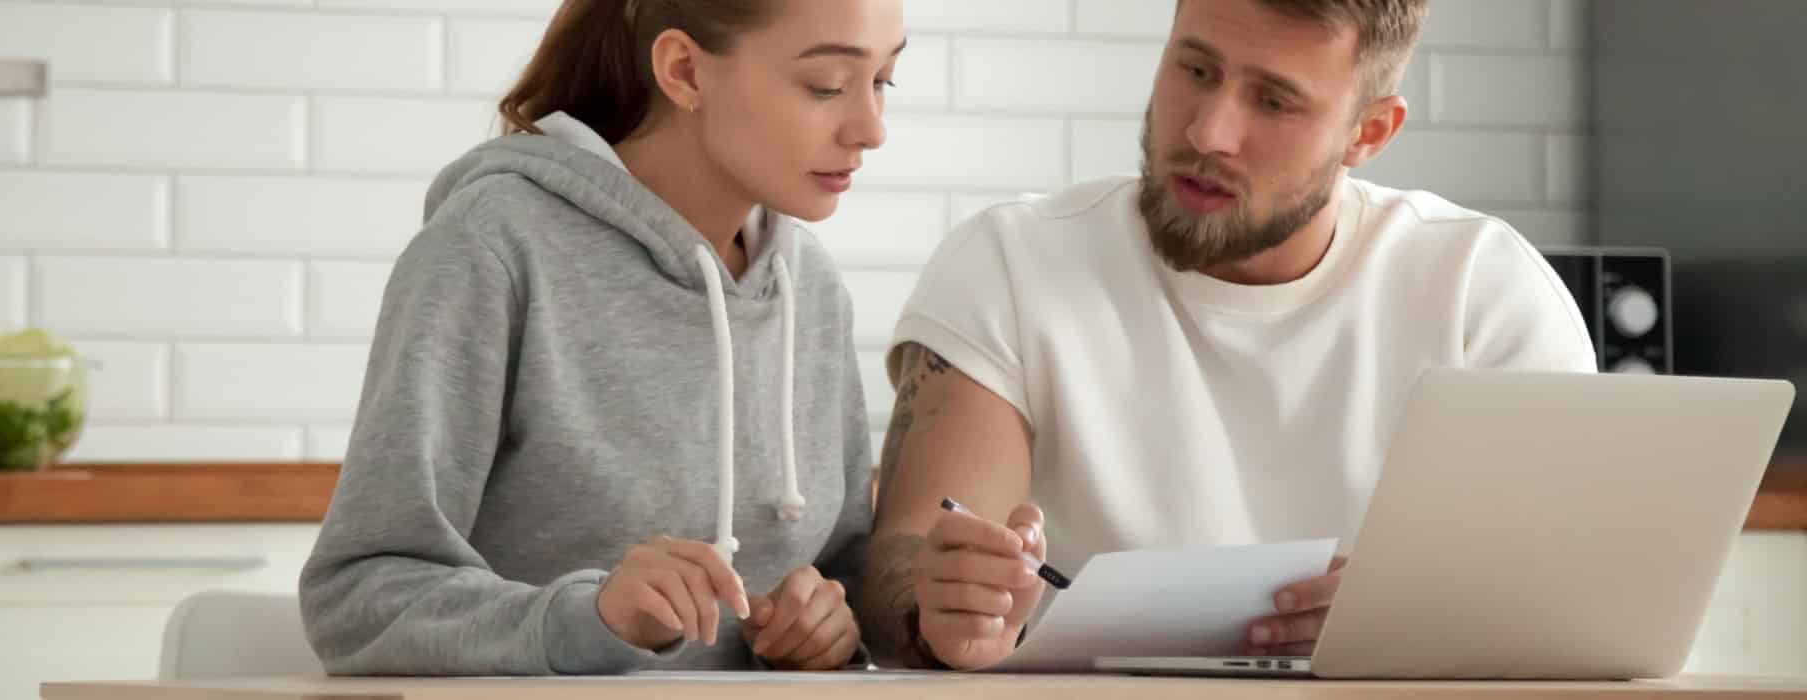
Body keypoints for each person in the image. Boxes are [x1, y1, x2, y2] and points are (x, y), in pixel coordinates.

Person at [854, 0, 1595, 670]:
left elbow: (1576, 603)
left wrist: (1420, 622)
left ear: (1369, 132)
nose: (1209, 131)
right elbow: (906, 560)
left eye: (1273, 101)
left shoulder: (1485, 295)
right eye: (1196, 68)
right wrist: (940, 614)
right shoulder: (1011, 265)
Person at [299, 0, 906, 675]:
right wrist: (589, 621)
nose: (871, 129)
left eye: (883, 81)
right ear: (685, 72)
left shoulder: (812, 288)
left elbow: (842, 580)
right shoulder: (494, 246)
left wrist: (826, 628)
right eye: (826, 85)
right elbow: (356, 601)